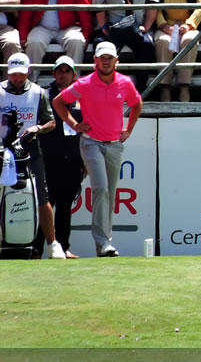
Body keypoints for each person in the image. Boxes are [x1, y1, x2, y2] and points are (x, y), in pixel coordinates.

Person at [52, 41, 143, 258]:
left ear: (116, 61)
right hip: (91, 142)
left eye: (109, 57)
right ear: (95, 60)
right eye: (102, 57)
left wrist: (128, 129)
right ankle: (103, 242)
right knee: (101, 188)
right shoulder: (84, 83)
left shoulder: (125, 83)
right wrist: (74, 124)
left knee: (109, 194)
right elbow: (58, 102)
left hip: (114, 145)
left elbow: (137, 104)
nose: (105, 60)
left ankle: (104, 244)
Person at [0, 52, 66, 259]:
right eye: (13, 75)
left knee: (42, 196)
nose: (17, 79)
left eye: (21, 74)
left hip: (30, 151)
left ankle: (52, 244)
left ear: (28, 72)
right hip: (2, 152)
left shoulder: (39, 93)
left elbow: (51, 122)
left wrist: (37, 128)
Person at [41, 54, 84, 258]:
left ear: (74, 75)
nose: (63, 75)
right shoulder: (44, 96)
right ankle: (36, 248)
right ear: (54, 74)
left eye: (67, 71)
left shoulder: (82, 97)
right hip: (48, 159)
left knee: (65, 207)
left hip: (73, 160)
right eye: (60, 71)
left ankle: (64, 248)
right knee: (45, 205)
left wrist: (84, 160)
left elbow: (87, 129)